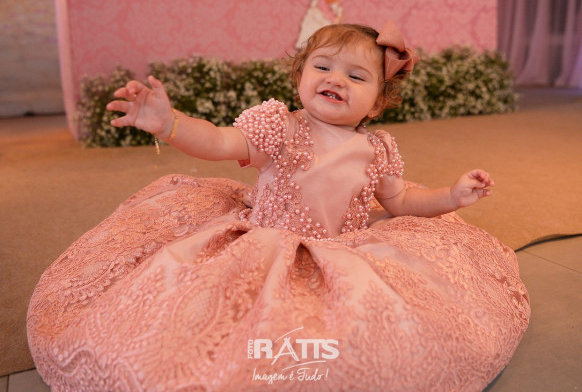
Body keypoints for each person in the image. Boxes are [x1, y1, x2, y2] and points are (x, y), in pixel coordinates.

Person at [27, 21, 530, 391]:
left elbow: (401, 201)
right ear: (300, 76)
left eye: (357, 76)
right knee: (229, 319)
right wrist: (170, 123)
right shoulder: (282, 127)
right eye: (323, 66)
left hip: (343, 248)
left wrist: (450, 196)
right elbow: (219, 141)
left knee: (375, 327)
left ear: (378, 102)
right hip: (266, 241)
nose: (336, 79)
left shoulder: (377, 149)